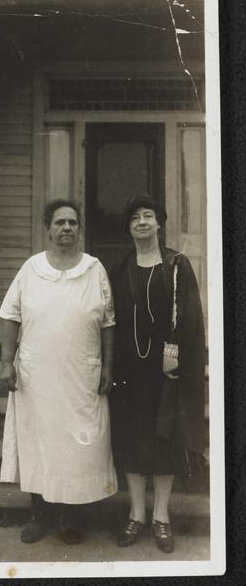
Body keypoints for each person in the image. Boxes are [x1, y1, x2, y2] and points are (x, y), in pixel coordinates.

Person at [0, 198, 118, 544]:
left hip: (82, 375)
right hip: (37, 377)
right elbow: (10, 316)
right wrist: (6, 362)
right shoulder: (31, 269)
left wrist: (108, 366)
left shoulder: (95, 270)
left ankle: (70, 518)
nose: (66, 228)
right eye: (59, 223)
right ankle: (40, 515)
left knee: (78, 448)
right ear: (47, 229)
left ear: (80, 229)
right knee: (39, 444)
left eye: (72, 223)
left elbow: (108, 322)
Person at [109, 194, 205, 554]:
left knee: (164, 439)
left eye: (149, 216)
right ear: (129, 227)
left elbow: (188, 314)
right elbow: (112, 318)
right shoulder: (120, 269)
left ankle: (161, 517)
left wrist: (172, 352)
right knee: (134, 439)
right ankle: (136, 513)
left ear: (160, 224)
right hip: (130, 370)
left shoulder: (177, 264)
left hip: (168, 369)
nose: (142, 222)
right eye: (135, 217)